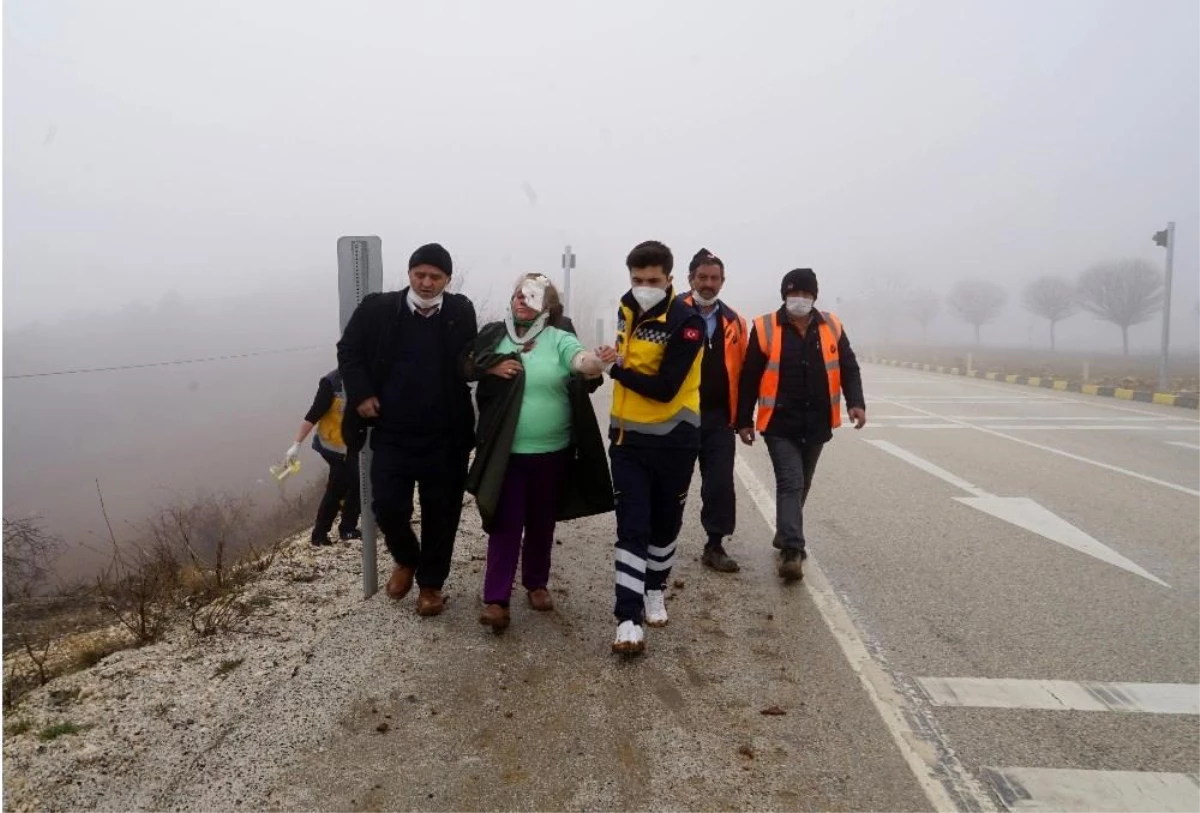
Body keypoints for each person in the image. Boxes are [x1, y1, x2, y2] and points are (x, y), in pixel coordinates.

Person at [466, 274, 614, 632]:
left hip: (553, 451)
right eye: (518, 293)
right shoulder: (495, 333)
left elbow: (581, 364)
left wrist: (598, 359)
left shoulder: (559, 337)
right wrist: (492, 365)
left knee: (541, 521)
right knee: (505, 523)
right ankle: (497, 599)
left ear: (546, 306)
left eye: (532, 296)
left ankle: (536, 583)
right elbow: (467, 364)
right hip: (507, 452)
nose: (522, 300)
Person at [337, 243, 478, 617]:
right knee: (387, 506)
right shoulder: (378, 309)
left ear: (447, 279)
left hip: (445, 436)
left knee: (442, 514)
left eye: (436, 276)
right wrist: (362, 394)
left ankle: (431, 586)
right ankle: (407, 558)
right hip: (392, 432)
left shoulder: (460, 310)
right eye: (421, 275)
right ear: (409, 273)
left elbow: (468, 358)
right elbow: (348, 351)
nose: (427, 283)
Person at [737, 268, 866, 582]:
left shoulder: (831, 325)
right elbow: (750, 375)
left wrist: (856, 402)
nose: (800, 299)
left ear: (815, 297)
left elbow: (848, 365)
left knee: (803, 482)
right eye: (795, 293)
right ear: (784, 295)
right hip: (780, 421)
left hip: (817, 421)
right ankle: (793, 550)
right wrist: (743, 419)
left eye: (806, 294)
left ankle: (785, 532)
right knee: (791, 481)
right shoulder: (766, 327)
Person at [608, 240, 706, 656]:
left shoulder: (687, 322)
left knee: (665, 527)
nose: (643, 287)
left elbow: (666, 388)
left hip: (674, 441)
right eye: (636, 279)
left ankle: (654, 590)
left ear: (669, 279)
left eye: (652, 280)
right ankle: (627, 618)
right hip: (627, 441)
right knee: (632, 527)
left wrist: (616, 369)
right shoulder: (625, 308)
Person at [681, 248, 747, 573]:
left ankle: (715, 544)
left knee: (719, 484)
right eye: (702, 277)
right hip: (677, 416)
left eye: (714, 278)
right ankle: (657, 544)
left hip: (719, 417)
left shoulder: (734, 321)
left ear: (722, 281)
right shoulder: (672, 312)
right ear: (690, 278)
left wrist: (744, 418)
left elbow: (743, 372)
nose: (708, 284)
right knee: (670, 484)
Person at [284, 370, 364, 547]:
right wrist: (296, 444)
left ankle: (320, 534)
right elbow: (313, 414)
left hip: (351, 446)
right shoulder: (331, 383)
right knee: (358, 483)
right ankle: (346, 529)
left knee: (338, 487)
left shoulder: (366, 377)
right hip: (332, 447)